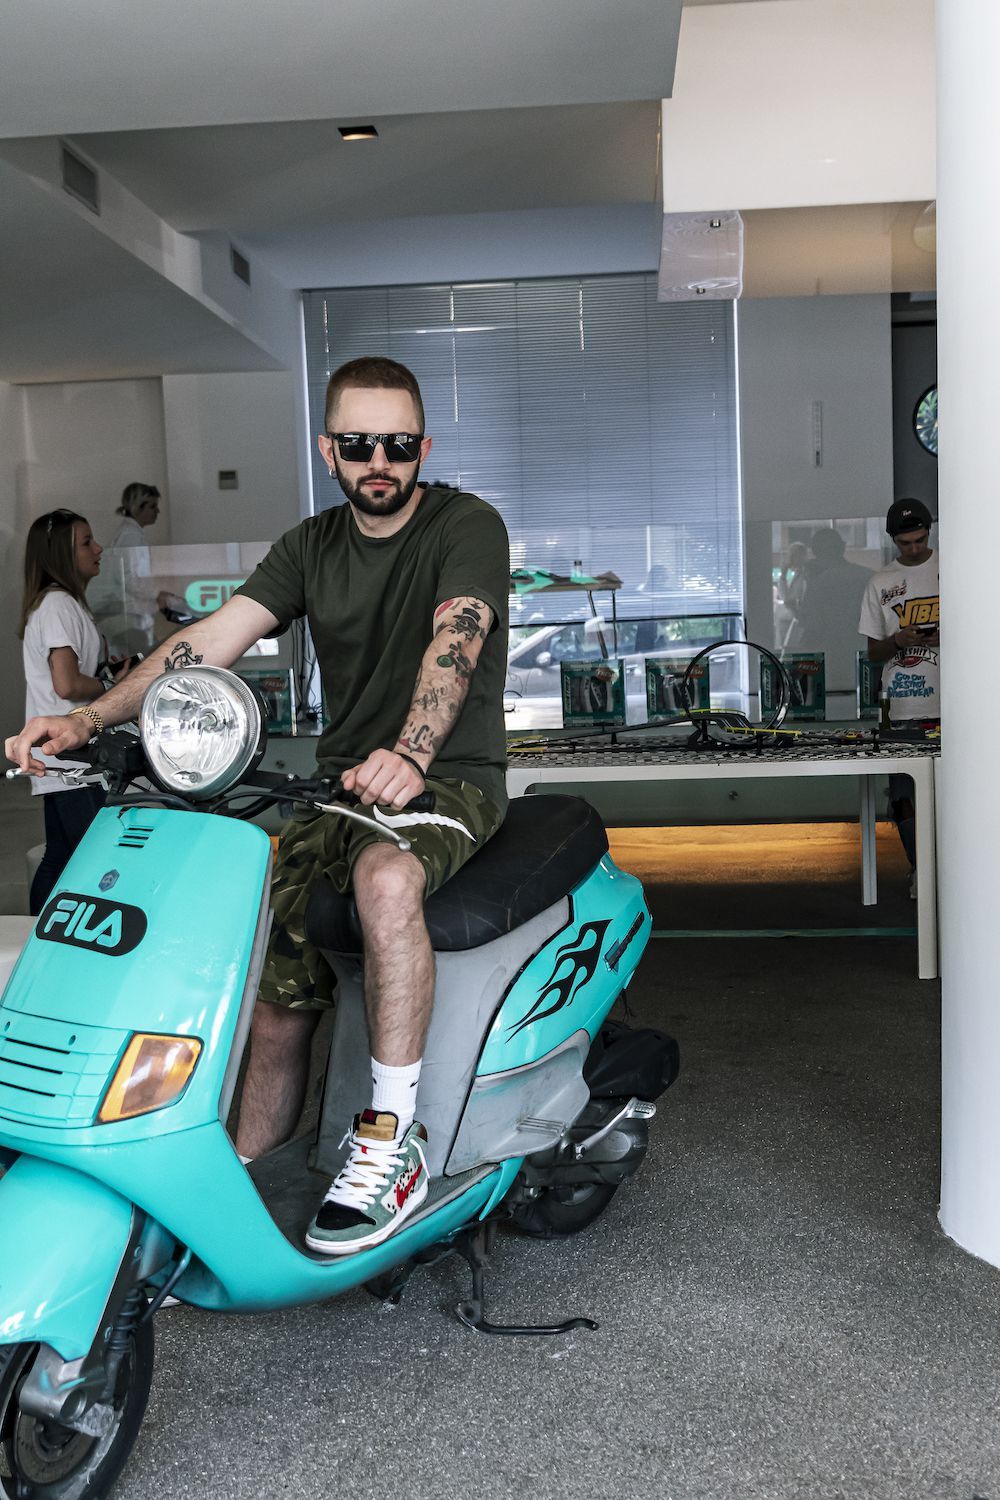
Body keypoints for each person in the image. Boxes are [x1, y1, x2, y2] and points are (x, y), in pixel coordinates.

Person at [5, 357, 510, 1257]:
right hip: (339, 787)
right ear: (329, 449)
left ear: (423, 449)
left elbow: (457, 636)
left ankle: (392, 1142)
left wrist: (412, 752)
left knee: (386, 882)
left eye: (399, 444)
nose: (380, 460)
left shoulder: (465, 524)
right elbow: (207, 642)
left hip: (446, 777)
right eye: (359, 443)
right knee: (276, 996)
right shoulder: (311, 547)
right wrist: (85, 720)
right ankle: (237, 1182)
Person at [17, 509, 128, 914]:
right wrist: (114, 689)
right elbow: (66, 684)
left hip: (64, 755)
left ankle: (37, 934)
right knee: (94, 855)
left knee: (61, 854)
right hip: (71, 757)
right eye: (86, 542)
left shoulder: (60, 604)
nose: (98, 549)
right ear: (61, 554)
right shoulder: (58, 604)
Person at [858, 498, 939, 896]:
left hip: (956, 701)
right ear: (893, 540)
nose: (914, 548)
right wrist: (898, 640)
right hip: (903, 703)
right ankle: (919, 868)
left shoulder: (953, 568)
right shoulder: (880, 582)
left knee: (957, 789)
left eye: (920, 540)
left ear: (929, 532)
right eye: (906, 543)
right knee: (905, 794)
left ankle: (957, 868)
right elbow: (873, 651)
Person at [90, 481, 170, 657]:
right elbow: (131, 579)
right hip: (132, 615)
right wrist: (157, 595)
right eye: (152, 506)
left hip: (133, 613)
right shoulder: (130, 536)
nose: (157, 511)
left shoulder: (130, 533)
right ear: (137, 508)